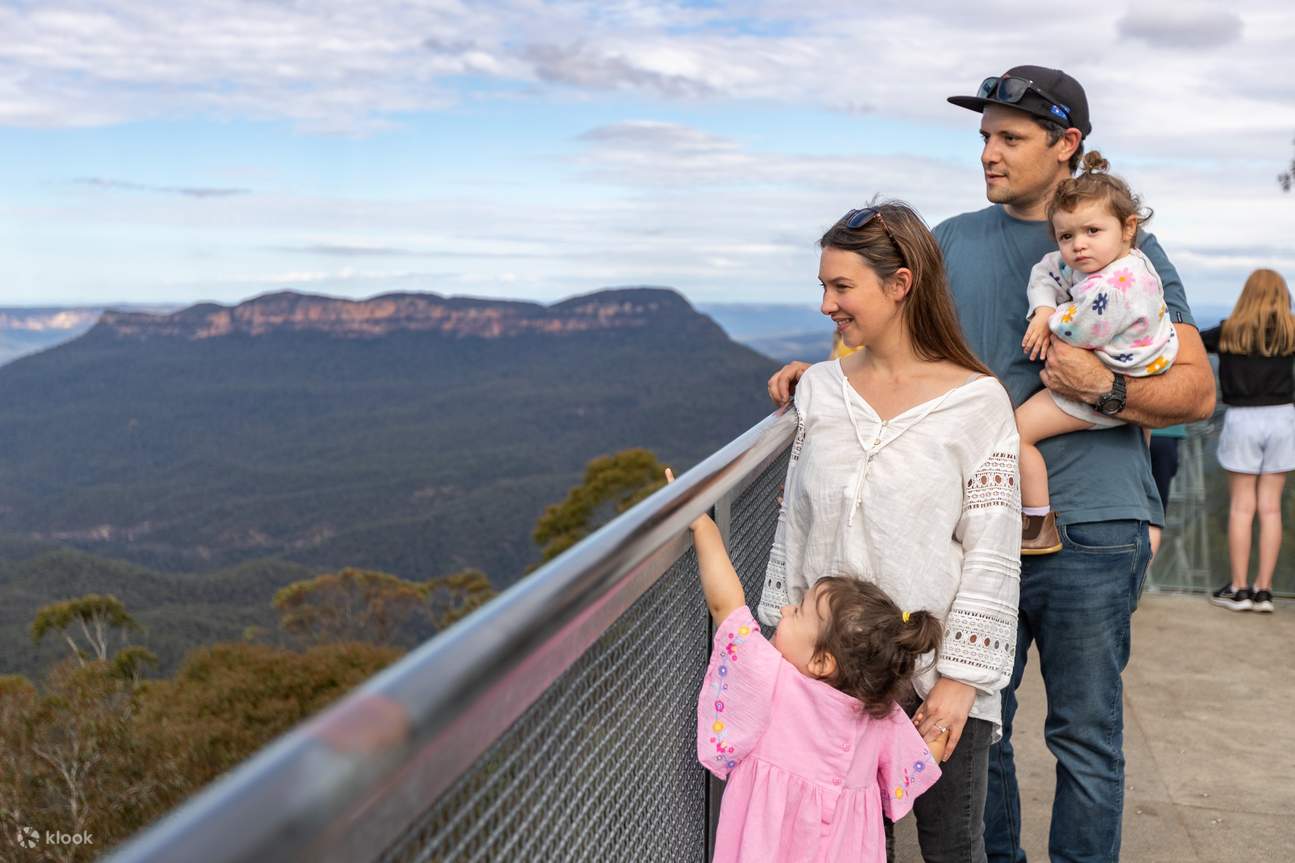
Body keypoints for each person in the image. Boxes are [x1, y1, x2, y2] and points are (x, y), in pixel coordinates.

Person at [768, 66, 1216, 862]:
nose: (988, 153)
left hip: (1091, 527)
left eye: (1009, 137)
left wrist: (1103, 387)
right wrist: (823, 374)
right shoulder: (950, 240)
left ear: (1065, 144)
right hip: (973, 540)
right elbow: (890, 338)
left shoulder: (1124, 250)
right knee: (981, 731)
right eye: (983, 137)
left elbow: (1193, 390)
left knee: (1084, 737)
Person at [762, 201, 1022, 863]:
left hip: (932, 676)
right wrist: (778, 648)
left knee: (951, 849)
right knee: (841, 847)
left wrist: (962, 681)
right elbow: (797, 526)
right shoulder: (819, 390)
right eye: (822, 285)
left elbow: (991, 552)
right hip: (830, 676)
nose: (826, 304)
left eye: (840, 285)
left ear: (899, 283)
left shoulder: (976, 403)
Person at [671, 467, 947, 863]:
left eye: (797, 611)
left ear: (821, 661)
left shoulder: (774, 679)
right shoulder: (878, 712)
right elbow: (918, 760)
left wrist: (702, 526)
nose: (784, 609)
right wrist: (936, 735)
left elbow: (726, 606)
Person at [1016, 152, 1177, 554]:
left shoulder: (1117, 285)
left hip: (1107, 386)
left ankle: (1036, 522)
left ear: (1128, 228)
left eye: (1091, 230)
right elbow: (1045, 271)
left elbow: (1076, 332)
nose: (1078, 246)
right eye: (1066, 236)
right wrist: (1045, 305)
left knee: (1017, 432)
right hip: (1132, 368)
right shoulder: (1110, 261)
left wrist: (1048, 319)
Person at [1200, 269, 1295, 614]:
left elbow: (1187, 340)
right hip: (1284, 418)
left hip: (1242, 418)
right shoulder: (1291, 332)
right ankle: (1264, 591)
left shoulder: (1229, 331)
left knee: (1242, 507)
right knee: (1270, 508)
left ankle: (1238, 589)